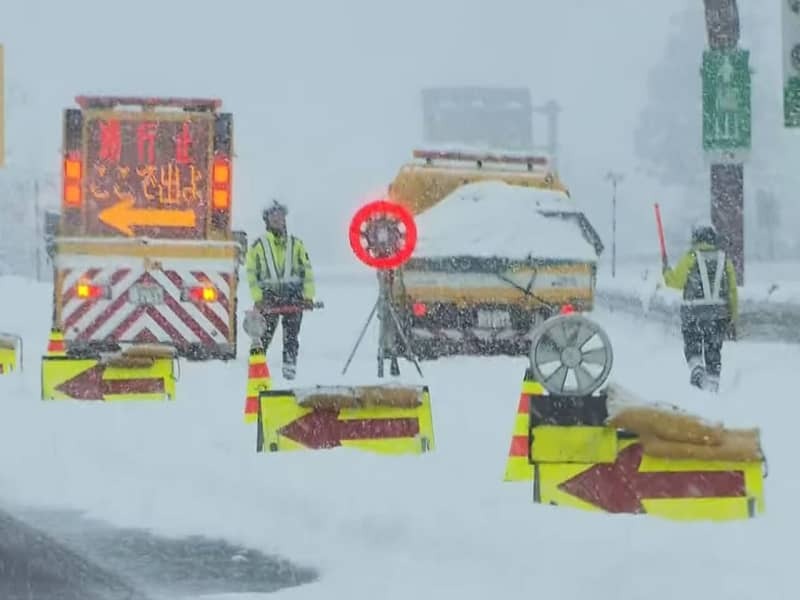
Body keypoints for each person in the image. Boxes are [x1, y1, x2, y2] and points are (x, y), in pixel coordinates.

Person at [662, 221, 738, 392]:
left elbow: (676, 282)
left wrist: (666, 271)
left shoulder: (691, 257)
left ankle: (697, 368)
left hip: (693, 313)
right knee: (713, 350)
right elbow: (732, 290)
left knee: (693, 344)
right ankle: (712, 382)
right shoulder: (724, 259)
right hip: (718, 314)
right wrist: (733, 314)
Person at [246, 200, 315, 380]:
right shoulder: (258, 246)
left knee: (291, 337)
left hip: (294, 297)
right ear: (267, 220)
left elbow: (307, 271)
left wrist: (307, 296)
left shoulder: (296, 244)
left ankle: (289, 367)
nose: (278, 219)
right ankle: (257, 370)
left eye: (280, 216)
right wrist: (258, 298)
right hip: (269, 298)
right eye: (273, 216)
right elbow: (252, 275)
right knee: (263, 336)